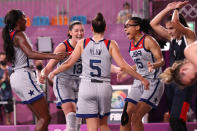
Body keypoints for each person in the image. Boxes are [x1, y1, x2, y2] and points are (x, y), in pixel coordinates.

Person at [44, 12, 149, 131]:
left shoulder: (83, 43)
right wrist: (141, 78)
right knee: (103, 125)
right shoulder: (111, 44)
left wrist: (54, 72)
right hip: (103, 87)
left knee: (91, 127)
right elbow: (124, 65)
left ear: (91, 28)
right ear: (105, 28)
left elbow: (68, 63)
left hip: (87, 86)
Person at [2, 9, 66, 131]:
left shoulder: (11, 34)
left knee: (41, 118)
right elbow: (30, 54)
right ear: (18, 20)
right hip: (23, 76)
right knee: (45, 118)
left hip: (17, 77)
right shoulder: (19, 34)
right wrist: (54, 56)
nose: (26, 20)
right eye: (24, 17)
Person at [150, 1, 196, 131]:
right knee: (173, 119)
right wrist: (167, 9)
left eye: (172, 28)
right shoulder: (173, 38)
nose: (169, 32)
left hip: (184, 84)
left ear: (180, 26)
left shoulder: (189, 36)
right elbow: (153, 24)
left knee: (178, 118)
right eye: (168, 29)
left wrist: (176, 8)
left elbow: (176, 22)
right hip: (172, 83)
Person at [118, 17, 165, 131]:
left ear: (137, 27)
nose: (125, 29)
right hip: (139, 81)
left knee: (136, 117)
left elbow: (161, 60)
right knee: (125, 117)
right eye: (124, 27)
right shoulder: (132, 44)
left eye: (128, 26)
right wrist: (126, 71)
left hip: (152, 82)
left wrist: (154, 65)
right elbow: (139, 65)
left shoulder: (148, 40)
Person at [40, 21, 85, 131]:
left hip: (80, 83)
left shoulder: (86, 45)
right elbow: (50, 65)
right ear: (70, 32)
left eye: (82, 30)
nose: (79, 33)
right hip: (64, 82)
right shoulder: (63, 47)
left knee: (77, 124)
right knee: (71, 117)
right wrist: (43, 74)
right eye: (76, 31)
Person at [0, 52, 13, 125]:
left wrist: (7, 77)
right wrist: (2, 79)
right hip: (0, 94)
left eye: (4, 58)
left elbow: (13, 84)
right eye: (1, 58)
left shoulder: (10, 70)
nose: (2, 60)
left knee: (8, 118)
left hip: (8, 95)